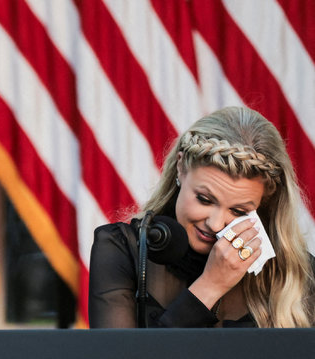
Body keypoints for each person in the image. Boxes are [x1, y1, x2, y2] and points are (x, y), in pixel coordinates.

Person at [89, 106, 315, 328]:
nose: (215, 224)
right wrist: (210, 286)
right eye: (205, 199)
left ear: (263, 204)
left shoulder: (296, 273)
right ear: (181, 167)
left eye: (238, 211)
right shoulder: (121, 249)